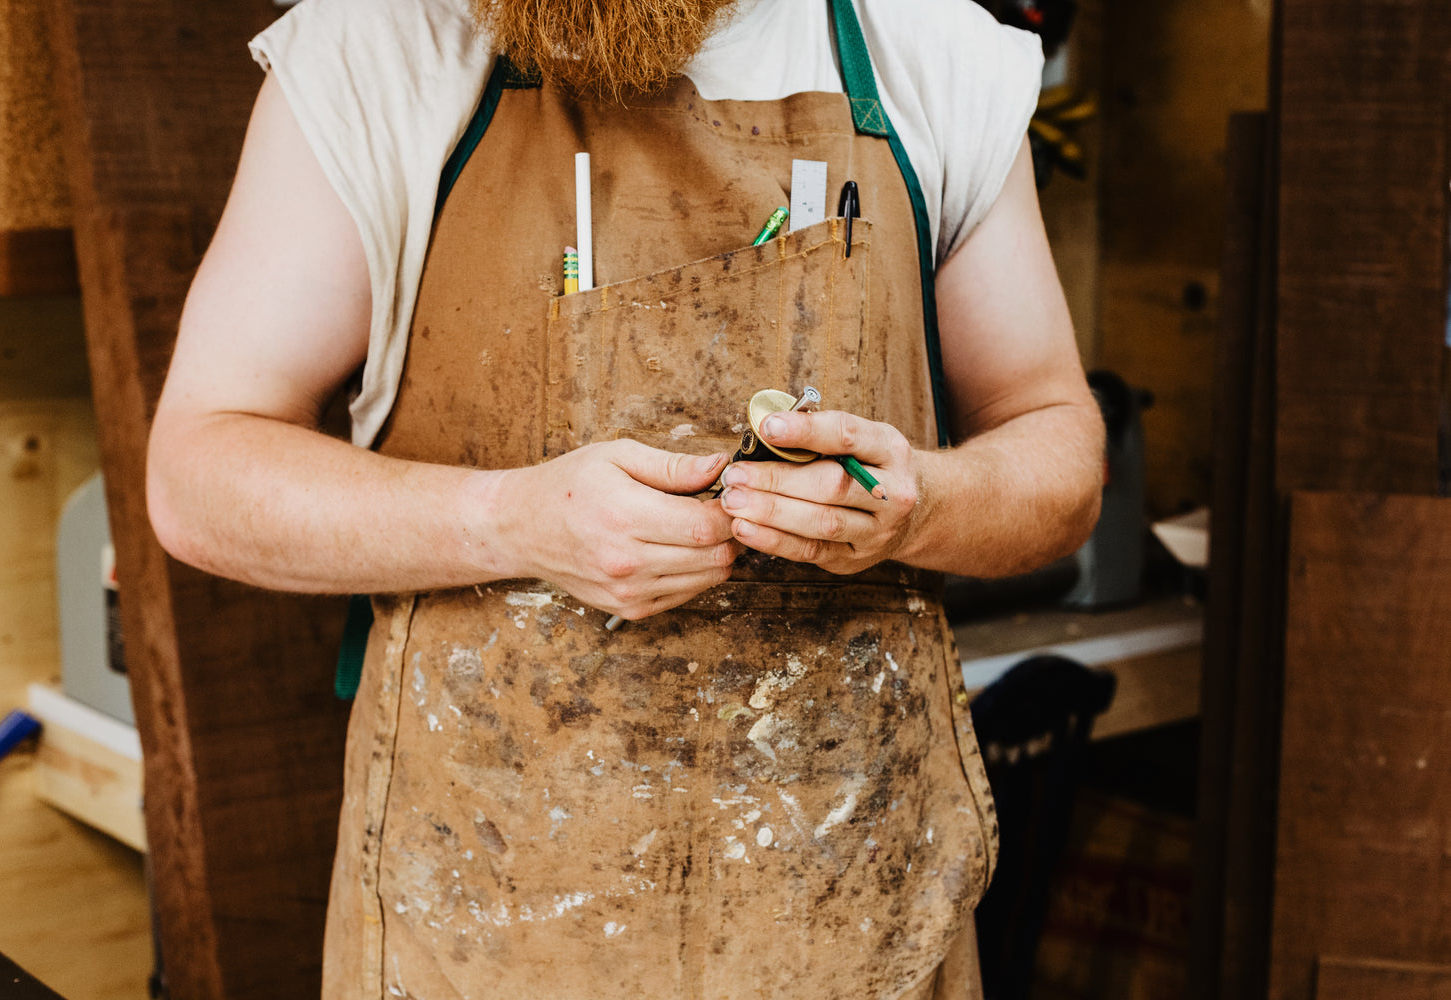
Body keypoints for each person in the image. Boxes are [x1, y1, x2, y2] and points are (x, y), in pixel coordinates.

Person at [146, 0, 1104, 995]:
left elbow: (1060, 451)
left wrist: (926, 502)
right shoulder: (379, 52)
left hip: (854, 925)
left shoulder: (931, 53)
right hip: (484, 933)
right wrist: (511, 522)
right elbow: (199, 471)